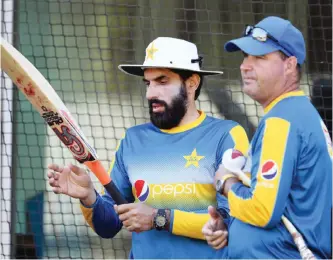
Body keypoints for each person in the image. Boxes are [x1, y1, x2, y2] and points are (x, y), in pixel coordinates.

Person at [48, 37, 249, 259]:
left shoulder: (226, 135)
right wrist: (88, 197)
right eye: (148, 83)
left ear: (192, 82)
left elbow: (232, 222)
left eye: (162, 82)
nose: (150, 93)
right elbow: (110, 225)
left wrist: (158, 218)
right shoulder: (132, 140)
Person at [202, 16, 332, 259]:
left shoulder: (282, 120)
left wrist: (226, 183)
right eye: (244, 56)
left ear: (290, 65)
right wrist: (229, 224)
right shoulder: (298, 113)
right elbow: (284, 206)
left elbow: (263, 210)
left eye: (260, 57)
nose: (245, 66)